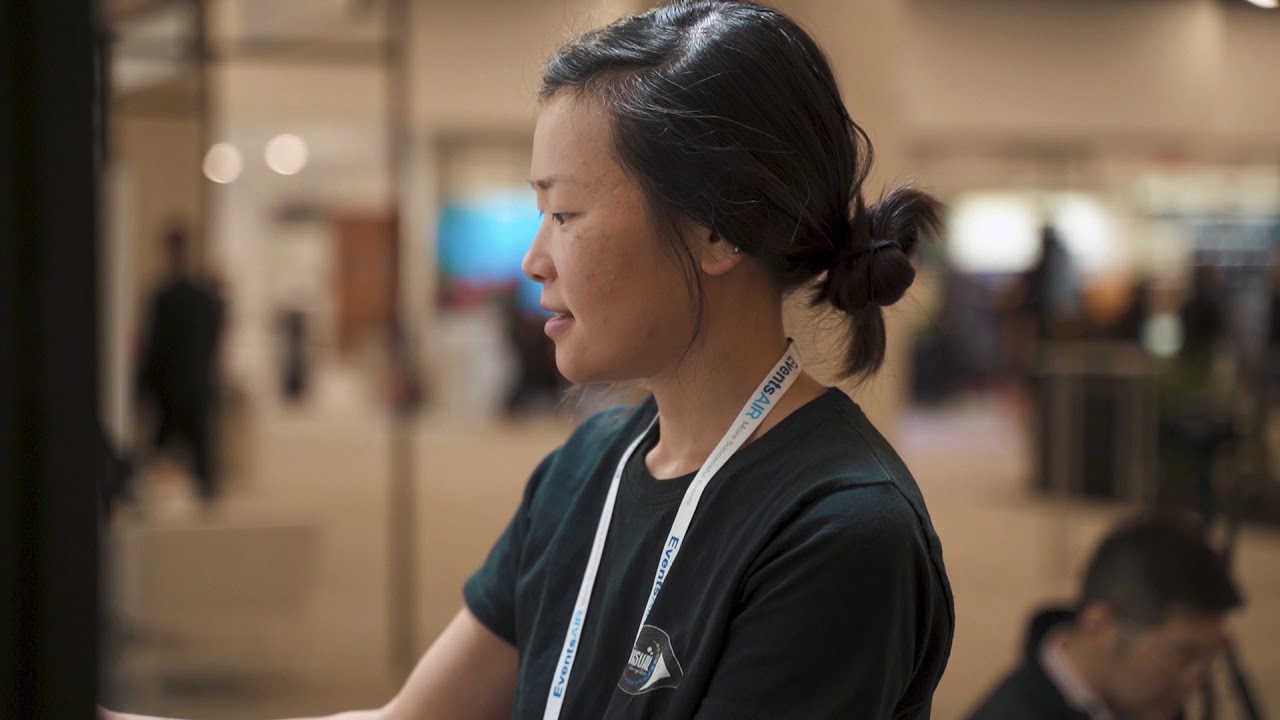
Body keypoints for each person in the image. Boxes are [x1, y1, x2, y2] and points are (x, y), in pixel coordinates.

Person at [104, 1, 953, 717]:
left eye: (566, 215)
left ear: (718, 230)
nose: (533, 261)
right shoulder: (587, 467)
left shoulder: (840, 535)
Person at [966, 513, 1243, 720]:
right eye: (1181, 655)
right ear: (1099, 627)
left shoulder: (1144, 702)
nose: (1192, 684)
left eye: (1206, 658)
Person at [134, 225, 225, 504]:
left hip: (171, 385)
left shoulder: (165, 297)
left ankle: (147, 493)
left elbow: (155, 346)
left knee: (163, 445)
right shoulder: (205, 297)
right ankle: (206, 496)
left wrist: (142, 384)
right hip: (196, 384)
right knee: (198, 451)